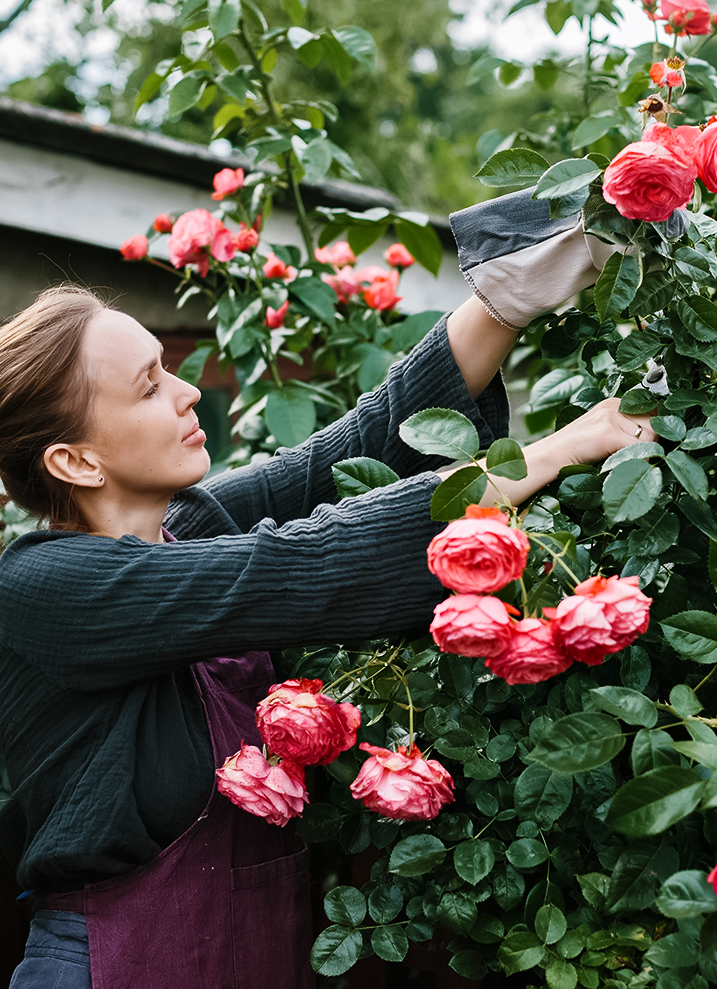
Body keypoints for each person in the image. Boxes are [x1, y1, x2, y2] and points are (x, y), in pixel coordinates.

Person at [0, 192, 661, 989]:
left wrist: (504, 300)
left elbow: (351, 447)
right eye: (147, 387)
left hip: (259, 952)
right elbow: (300, 565)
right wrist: (553, 450)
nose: (183, 392)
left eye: (168, 367)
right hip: (117, 963)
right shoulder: (42, 587)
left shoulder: (190, 525)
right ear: (74, 462)